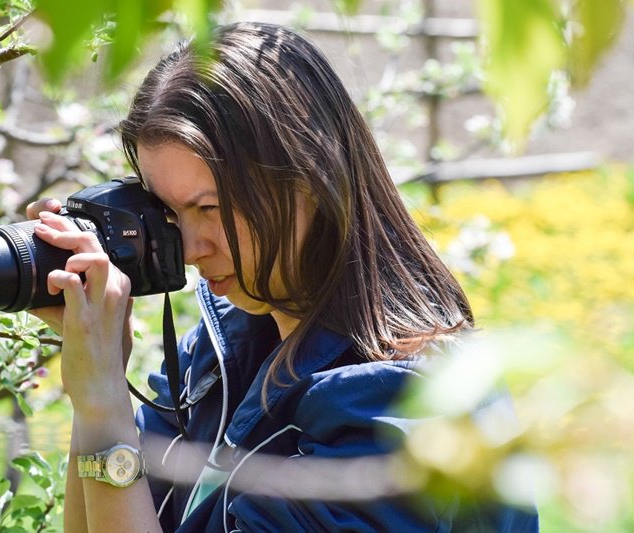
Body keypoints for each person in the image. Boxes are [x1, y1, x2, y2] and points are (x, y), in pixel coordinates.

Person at [26, 21, 538, 532]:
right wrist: (96, 387)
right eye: (169, 213)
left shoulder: (395, 405)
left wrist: (105, 407)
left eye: (210, 208)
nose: (188, 248)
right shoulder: (220, 352)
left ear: (310, 179)